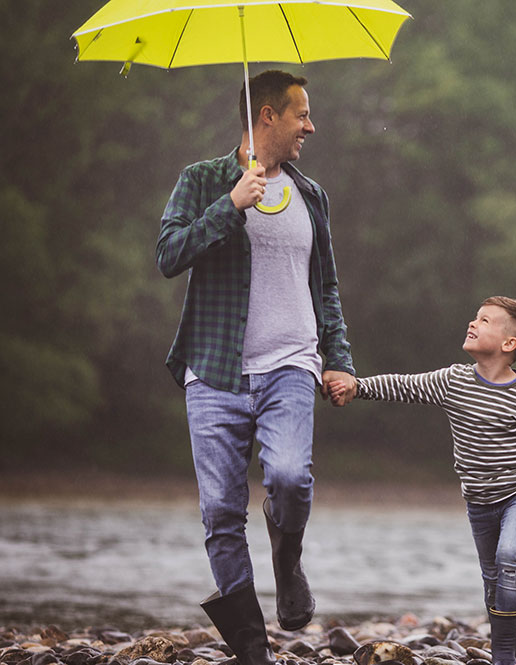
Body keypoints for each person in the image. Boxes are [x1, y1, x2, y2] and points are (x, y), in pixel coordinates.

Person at [156, 70, 356, 665]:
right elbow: (168, 254)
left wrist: (338, 361)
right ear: (266, 116)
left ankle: (286, 559)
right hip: (214, 372)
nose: (310, 126)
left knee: (291, 478)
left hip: (291, 365)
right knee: (220, 511)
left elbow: (328, 289)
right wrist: (230, 206)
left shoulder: (312, 195)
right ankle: (249, 646)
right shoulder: (202, 181)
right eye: (301, 115)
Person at [328, 296, 516, 665]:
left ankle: (505, 655)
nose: (473, 324)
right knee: (492, 575)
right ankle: (501, 645)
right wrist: (357, 386)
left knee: (510, 556)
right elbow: (404, 386)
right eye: (475, 317)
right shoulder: (453, 381)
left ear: (509, 344)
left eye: (486, 321)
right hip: (478, 498)